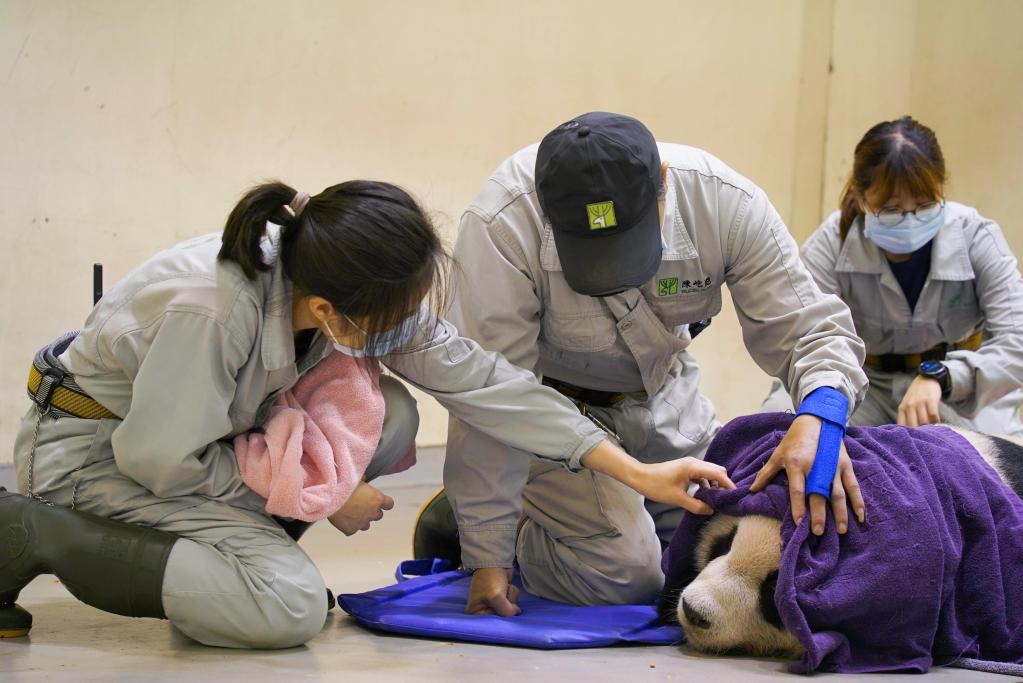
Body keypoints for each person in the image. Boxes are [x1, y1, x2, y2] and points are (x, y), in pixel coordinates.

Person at [1, 180, 732, 648]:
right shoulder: (215, 310)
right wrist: (319, 493)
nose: (408, 328)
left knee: (391, 417)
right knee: (285, 608)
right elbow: (158, 460)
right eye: (397, 315)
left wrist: (635, 469)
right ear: (325, 308)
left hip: (190, 444)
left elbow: (488, 386)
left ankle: (233, 556)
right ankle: (30, 529)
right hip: (95, 454)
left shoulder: (336, 275)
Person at [440, 112, 870, 617]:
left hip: (666, 399)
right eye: (592, 253)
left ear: (662, 183)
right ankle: (509, 528)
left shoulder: (725, 203)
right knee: (629, 575)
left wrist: (820, 414)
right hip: (552, 415)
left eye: (624, 246)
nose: (613, 272)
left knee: (735, 536)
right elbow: (491, 394)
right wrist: (488, 553)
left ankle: (606, 519)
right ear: (549, 213)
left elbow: (810, 330)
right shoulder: (503, 223)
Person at [761, 116, 1023, 433]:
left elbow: (1016, 340)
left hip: (957, 385)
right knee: (778, 433)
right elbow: (803, 339)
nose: (909, 220)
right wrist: (821, 408)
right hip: (859, 382)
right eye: (891, 208)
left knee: (997, 470)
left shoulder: (978, 237)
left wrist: (945, 376)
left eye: (925, 204)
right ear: (860, 196)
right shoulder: (829, 246)